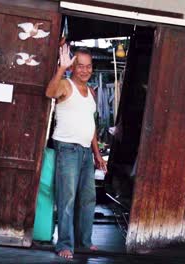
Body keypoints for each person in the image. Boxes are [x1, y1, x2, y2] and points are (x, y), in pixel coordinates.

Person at [45, 44, 107, 259]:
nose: (85, 70)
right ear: (73, 67)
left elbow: (90, 127)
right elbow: (49, 92)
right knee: (67, 198)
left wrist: (97, 155)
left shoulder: (91, 92)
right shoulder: (65, 84)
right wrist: (61, 68)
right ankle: (64, 244)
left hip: (85, 153)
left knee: (88, 198)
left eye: (88, 66)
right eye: (80, 66)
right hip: (68, 150)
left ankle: (84, 241)